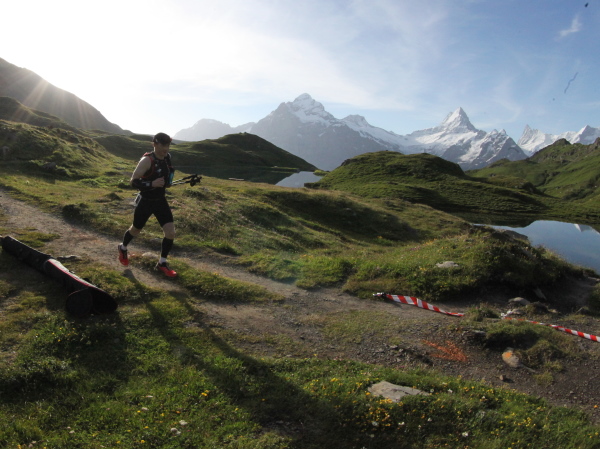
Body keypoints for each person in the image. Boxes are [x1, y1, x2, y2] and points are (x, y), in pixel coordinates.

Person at [117, 132, 177, 277]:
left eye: (168, 145)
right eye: (162, 145)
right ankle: (123, 247)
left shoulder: (167, 157)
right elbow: (133, 181)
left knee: (170, 233)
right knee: (135, 230)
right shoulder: (147, 160)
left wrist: (167, 182)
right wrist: (152, 183)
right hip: (146, 201)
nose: (165, 149)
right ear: (154, 144)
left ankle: (162, 263)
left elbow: (167, 174)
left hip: (160, 200)